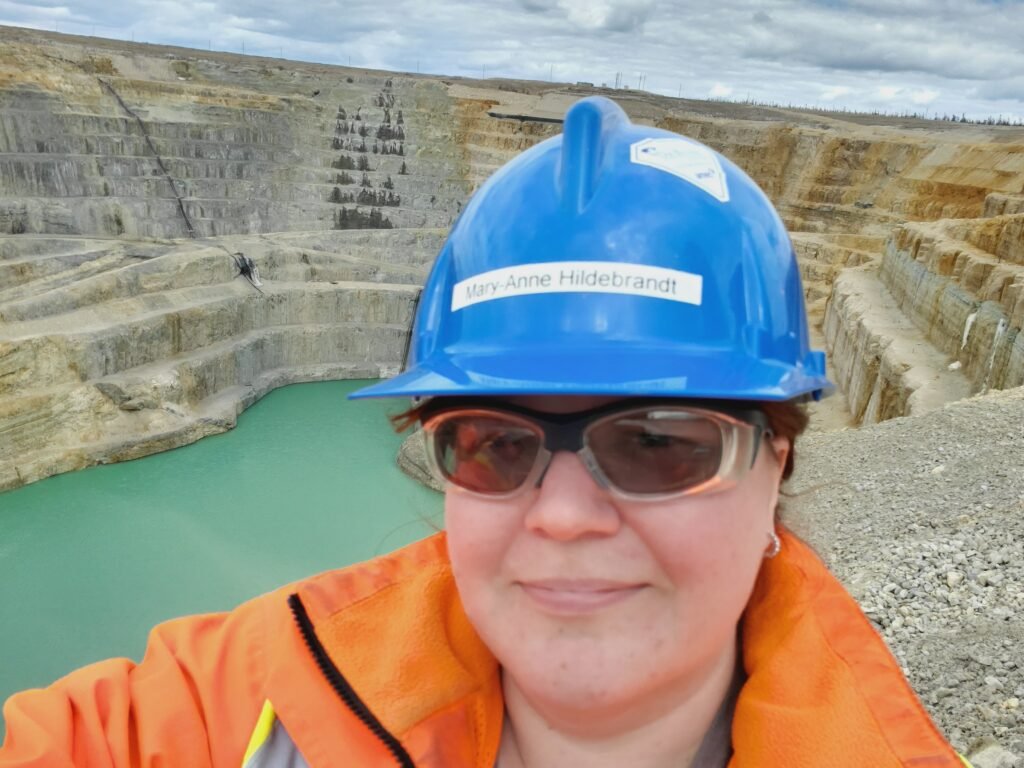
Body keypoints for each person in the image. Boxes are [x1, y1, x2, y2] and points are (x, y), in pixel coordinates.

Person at [0, 97, 967, 767]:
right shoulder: (258, 698)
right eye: (493, 443)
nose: (563, 516)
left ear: (776, 467)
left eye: (661, 443)